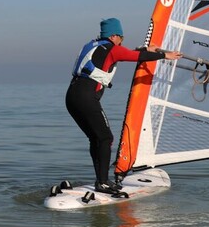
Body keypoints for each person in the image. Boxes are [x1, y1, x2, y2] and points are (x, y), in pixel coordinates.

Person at [66, 17, 182, 194]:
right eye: (121, 38)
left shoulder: (94, 46)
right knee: (105, 138)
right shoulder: (112, 49)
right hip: (86, 98)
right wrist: (165, 55)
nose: (121, 41)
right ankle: (103, 182)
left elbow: (124, 53)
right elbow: (136, 57)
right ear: (114, 36)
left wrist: (144, 49)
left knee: (96, 138)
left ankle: (101, 180)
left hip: (72, 97)